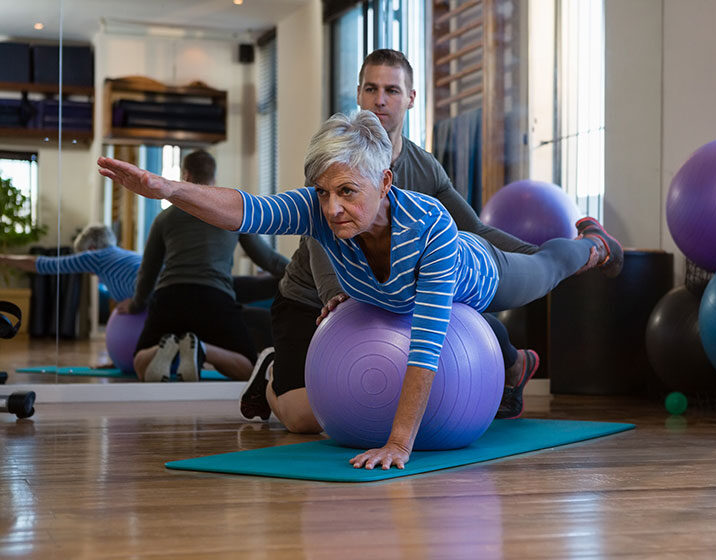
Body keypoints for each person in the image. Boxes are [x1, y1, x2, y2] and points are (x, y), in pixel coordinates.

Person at [97, 109, 623, 469]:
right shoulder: (321, 211)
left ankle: (594, 243)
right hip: (393, 296)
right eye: (323, 192)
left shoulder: (432, 227)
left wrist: (398, 443)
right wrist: (167, 189)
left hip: (480, 277)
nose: (331, 208)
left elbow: (428, 341)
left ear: (386, 182)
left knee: (550, 266)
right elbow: (245, 210)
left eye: (348, 192)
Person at [241, 49, 574, 432]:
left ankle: (512, 361)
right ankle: (270, 371)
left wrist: (534, 258)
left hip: (392, 297)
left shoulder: (425, 167)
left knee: (464, 323)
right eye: (371, 88)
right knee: (303, 419)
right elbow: (319, 240)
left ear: (410, 98)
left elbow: (474, 231)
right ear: (359, 94)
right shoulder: (337, 157)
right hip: (313, 299)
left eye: (392, 90)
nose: (380, 99)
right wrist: (336, 292)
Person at [124, 150, 286, 383]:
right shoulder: (232, 214)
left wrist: (135, 304)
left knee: (140, 363)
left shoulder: (164, 218)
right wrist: (304, 275)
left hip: (170, 297)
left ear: (185, 175)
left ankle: (166, 349)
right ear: (214, 179)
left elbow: (148, 271)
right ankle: (201, 349)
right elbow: (268, 259)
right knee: (248, 367)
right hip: (214, 298)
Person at [0, 223, 141, 306]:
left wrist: (4, 258)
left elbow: (44, 265)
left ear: (91, 249)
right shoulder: (124, 256)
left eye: (82, 252)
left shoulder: (95, 257)